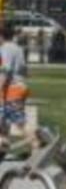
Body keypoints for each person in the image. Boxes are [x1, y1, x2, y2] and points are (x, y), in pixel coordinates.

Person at [0, 22, 36, 155]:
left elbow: (5, 71)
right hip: (19, 87)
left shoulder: (5, 48)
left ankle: (35, 146)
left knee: (20, 123)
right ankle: (3, 147)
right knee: (3, 121)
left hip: (12, 90)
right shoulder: (17, 48)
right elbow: (25, 70)